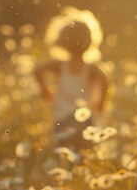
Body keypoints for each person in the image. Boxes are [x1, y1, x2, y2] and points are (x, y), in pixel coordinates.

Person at [33, 8, 108, 149]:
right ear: (90, 41)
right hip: (84, 121)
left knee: (64, 152)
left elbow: (38, 69)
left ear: (62, 41)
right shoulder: (91, 69)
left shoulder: (60, 66)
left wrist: (44, 90)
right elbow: (104, 80)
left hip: (62, 119)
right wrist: (101, 102)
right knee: (84, 153)